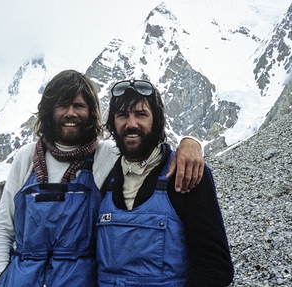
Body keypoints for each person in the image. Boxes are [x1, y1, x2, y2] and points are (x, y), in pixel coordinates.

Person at [0, 70, 205, 287]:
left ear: (92, 112)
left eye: (79, 106)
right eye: (62, 105)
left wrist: (190, 143)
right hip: (21, 279)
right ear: (49, 110)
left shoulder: (107, 154)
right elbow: (3, 227)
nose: (70, 113)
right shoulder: (27, 157)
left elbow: (146, 149)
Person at [96, 79, 234, 286]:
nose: (131, 124)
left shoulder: (186, 174)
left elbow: (215, 267)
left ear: (157, 121)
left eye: (141, 115)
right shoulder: (102, 170)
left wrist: (191, 142)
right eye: (122, 115)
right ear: (113, 123)